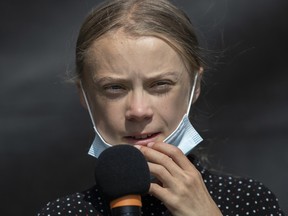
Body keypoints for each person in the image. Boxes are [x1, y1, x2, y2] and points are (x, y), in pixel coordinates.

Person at [38, 0, 285, 215]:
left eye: (160, 85)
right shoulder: (61, 213)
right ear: (84, 94)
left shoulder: (248, 202)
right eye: (115, 87)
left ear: (195, 86)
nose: (138, 110)